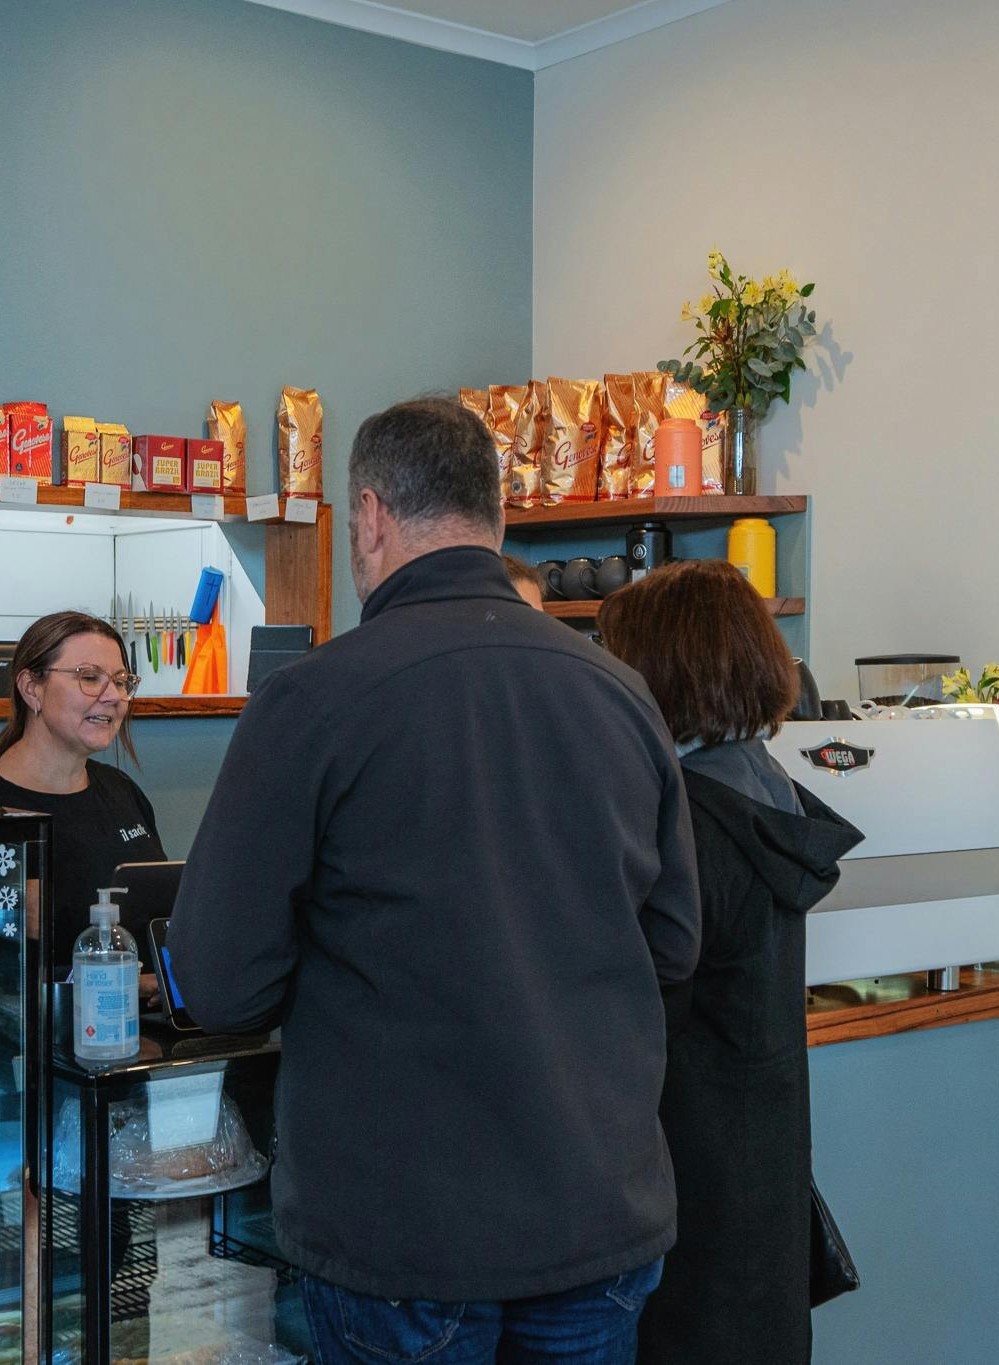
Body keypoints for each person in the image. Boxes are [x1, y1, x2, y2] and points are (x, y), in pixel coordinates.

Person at [169, 398, 700, 1364]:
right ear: (494, 515)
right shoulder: (621, 693)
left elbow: (219, 981)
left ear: (370, 517)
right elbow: (670, 948)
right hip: (600, 1213)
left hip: (403, 1235)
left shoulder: (311, 700)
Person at [597, 561, 862, 1365]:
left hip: (691, 1212)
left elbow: (631, 1020)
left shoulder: (691, 826)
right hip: (762, 1204)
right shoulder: (770, 793)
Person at [0, 610, 163, 961]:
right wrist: (112, 978)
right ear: (31, 688)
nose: (113, 695)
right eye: (90, 677)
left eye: (121, 680)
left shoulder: (122, 790)